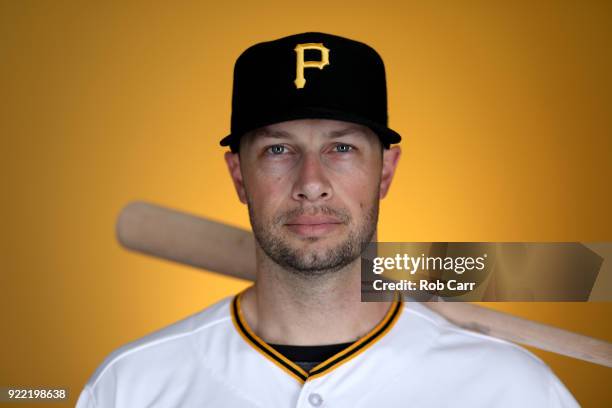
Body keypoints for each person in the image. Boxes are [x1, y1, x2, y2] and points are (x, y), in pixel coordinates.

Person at [76, 32, 579, 407]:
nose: (311, 181)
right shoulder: (131, 387)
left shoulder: (513, 389)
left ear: (386, 171)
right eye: (278, 149)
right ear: (238, 175)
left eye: (341, 148)